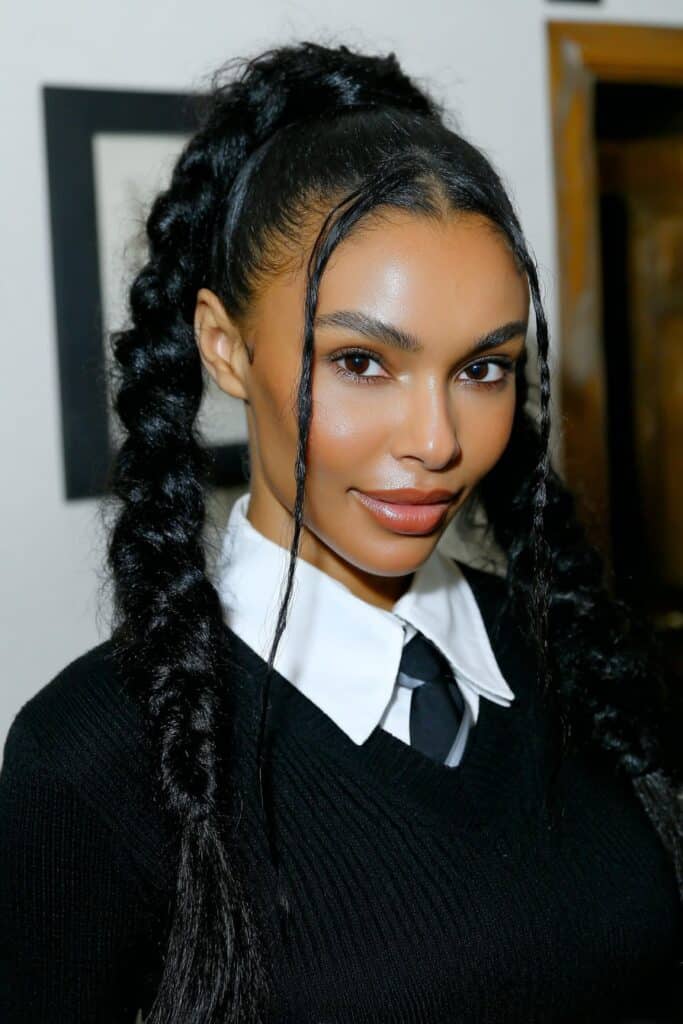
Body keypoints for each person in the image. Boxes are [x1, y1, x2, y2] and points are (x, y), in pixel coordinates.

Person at [0, 39, 681, 1024]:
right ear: (225, 349)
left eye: (481, 368)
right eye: (362, 362)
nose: (437, 440)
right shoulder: (88, 762)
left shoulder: (577, 657)